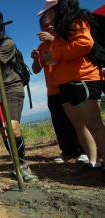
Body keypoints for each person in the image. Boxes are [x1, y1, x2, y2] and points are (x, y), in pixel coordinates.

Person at [39, 0, 105, 171]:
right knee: (79, 125)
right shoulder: (61, 28)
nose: (46, 17)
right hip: (65, 82)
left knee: (95, 126)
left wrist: (56, 54)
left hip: (82, 78)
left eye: (48, 12)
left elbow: (85, 43)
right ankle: (94, 161)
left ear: (57, 8)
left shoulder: (75, 20)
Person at [0, 11, 38, 181]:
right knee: (3, 132)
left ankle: (23, 166)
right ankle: (16, 162)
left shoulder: (7, 43)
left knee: (13, 126)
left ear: (0, 30)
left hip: (11, 88)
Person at [31, 7, 87, 163]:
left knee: (76, 121)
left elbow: (71, 55)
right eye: (44, 25)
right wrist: (36, 59)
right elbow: (36, 70)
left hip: (68, 84)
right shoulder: (42, 47)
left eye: (51, 23)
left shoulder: (63, 40)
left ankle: (84, 150)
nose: (48, 27)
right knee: (60, 123)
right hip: (52, 89)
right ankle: (68, 151)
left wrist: (52, 40)